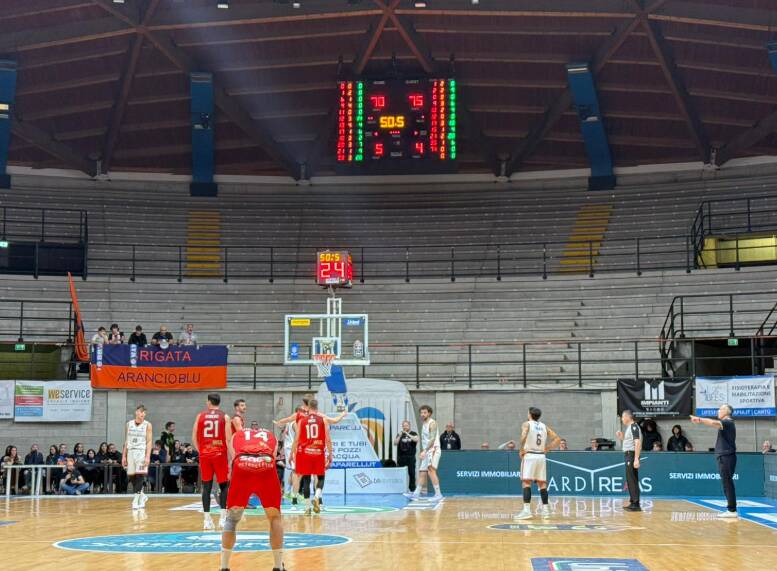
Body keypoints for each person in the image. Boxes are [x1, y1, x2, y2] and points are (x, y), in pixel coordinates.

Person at [221, 425, 285, 571]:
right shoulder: (270, 435)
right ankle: (278, 566)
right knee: (274, 518)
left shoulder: (238, 435)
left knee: (231, 519)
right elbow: (274, 457)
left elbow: (232, 456)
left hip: (242, 464)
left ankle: (224, 567)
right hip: (266, 464)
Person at [513, 407, 561, 520]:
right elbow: (557, 439)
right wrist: (547, 448)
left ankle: (526, 511)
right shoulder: (544, 426)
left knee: (526, 483)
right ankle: (545, 511)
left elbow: (524, 435)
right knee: (542, 484)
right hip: (541, 456)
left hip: (530, 455)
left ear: (529, 414)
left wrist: (521, 449)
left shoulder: (527, 424)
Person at [193, 393, 232, 531]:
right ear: (219, 402)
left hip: (205, 455)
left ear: (209, 402)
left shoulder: (200, 416)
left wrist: (201, 451)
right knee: (223, 486)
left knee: (206, 487)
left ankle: (207, 520)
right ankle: (222, 518)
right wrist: (232, 457)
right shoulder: (225, 417)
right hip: (220, 454)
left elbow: (194, 438)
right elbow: (228, 439)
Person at [691, 405, 738, 519]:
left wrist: (700, 420)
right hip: (726, 456)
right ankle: (731, 509)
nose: (718, 411)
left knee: (727, 483)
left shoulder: (727, 422)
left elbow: (713, 423)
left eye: (720, 409)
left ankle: (732, 510)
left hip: (726, 456)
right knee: (727, 483)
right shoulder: (728, 423)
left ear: (726, 412)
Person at [290, 399, 332, 515]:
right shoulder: (323, 420)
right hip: (318, 452)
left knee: (307, 480)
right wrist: (330, 454)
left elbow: (297, 439)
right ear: (317, 407)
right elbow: (327, 439)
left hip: (305, 453)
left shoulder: (302, 421)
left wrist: (291, 454)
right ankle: (317, 497)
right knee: (321, 478)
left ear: (308, 407)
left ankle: (307, 509)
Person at [123, 404, 152, 510]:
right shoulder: (129, 424)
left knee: (140, 475)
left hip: (141, 452)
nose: (143, 414)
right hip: (130, 451)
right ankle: (142, 496)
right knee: (131, 476)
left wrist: (147, 456)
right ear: (136, 412)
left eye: (144, 413)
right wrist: (124, 456)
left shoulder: (147, 425)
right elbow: (126, 441)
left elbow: (149, 442)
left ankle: (136, 499)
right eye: (141, 412)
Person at [412, 405, 443, 501]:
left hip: (433, 449)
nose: (422, 414)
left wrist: (424, 451)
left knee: (431, 470)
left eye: (424, 412)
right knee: (422, 472)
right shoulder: (424, 424)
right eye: (421, 412)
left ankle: (438, 494)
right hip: (427, 450)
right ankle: (416, 494)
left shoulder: (432, 423)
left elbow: (433, 439)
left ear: (429, 413)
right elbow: (425, 440)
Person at [616, 410, 643, 512]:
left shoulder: (634, 427)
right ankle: (633, 502)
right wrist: (621, 437)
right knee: (631, 479)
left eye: (623, 417)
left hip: (631, 455)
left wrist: (636, 459)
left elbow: (637, 443)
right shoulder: (630, 428)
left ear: (628, 417)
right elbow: (630, 442)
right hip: (629, 455)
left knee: (632, 479)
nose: (622, 419)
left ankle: (636, 504)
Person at [395, 420, 419, 495]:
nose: (405, 427)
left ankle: (412, 490)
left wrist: (407, 434)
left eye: (406, 425)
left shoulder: (413, 433)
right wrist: (399, 435)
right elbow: (395, 443)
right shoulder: (400, 434)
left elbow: (416, 439)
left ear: (409, 426)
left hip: (410, 457)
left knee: (411, 473)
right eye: (404, 426)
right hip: (401, 457)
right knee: (401, 473)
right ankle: (401, 489)